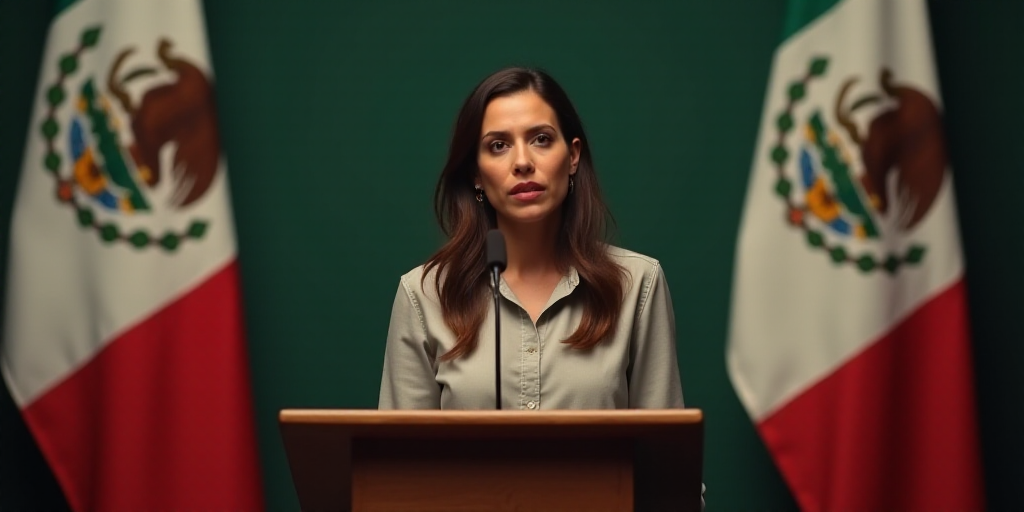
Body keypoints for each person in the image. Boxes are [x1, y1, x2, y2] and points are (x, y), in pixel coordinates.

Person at [378, 65, 704, 508]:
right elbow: (398, 481)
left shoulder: (637, 286)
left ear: (572, 157)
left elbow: (669, 480)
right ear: (475, 173)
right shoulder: (423, 294)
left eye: (540, 139)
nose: (522, 161)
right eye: (498, 146)